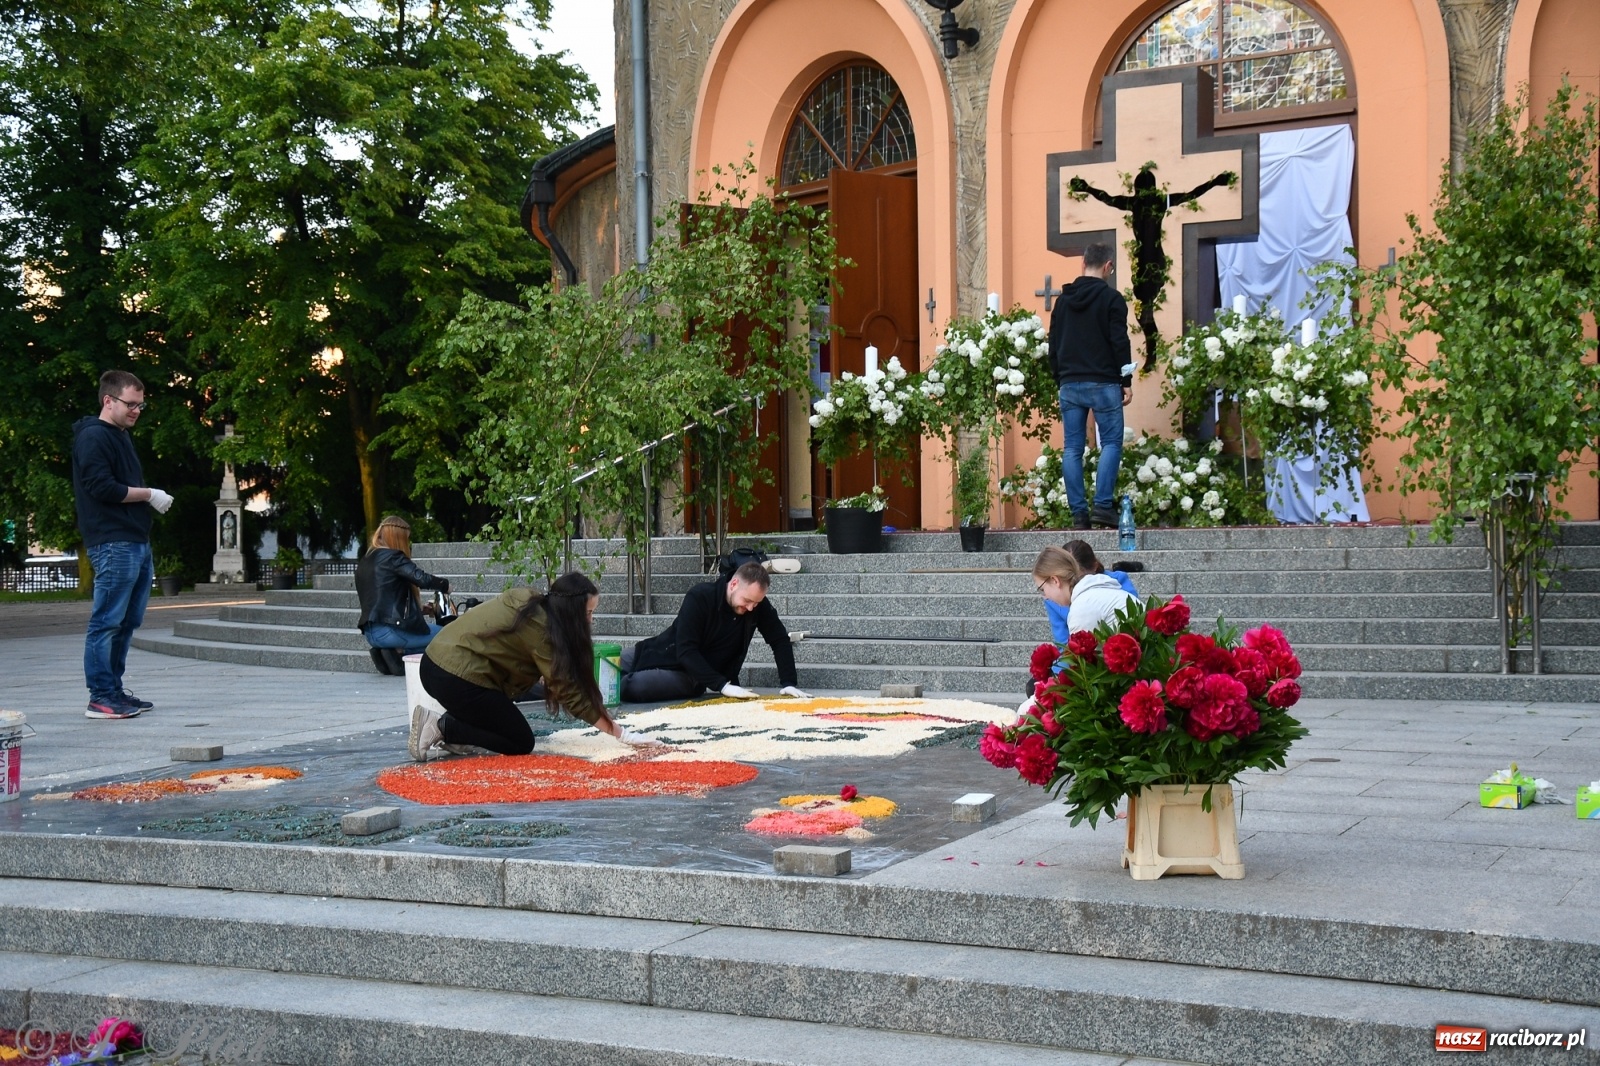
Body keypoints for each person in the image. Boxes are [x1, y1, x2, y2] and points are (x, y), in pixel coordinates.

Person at [411, 572, 632, 760]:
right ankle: (442, 727)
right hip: (453, 675)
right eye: (588, 613)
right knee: (520, 741)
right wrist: (619, 733)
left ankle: (456, 730)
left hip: (435, 662)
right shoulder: (542, 629)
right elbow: (569, 691)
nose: (590, 621)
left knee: (505, 714)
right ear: (570, 611)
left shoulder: (529, 600)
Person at [72, 370, 174, 720]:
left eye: (141, 405)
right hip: (113, 542)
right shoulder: (93, 437)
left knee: (128, 621)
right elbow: (102, 488)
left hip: (133, 540)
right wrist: (149, 494)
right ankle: (100, 696)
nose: (137, 411)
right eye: (131, 404)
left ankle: (113, 692)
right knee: (107, 621)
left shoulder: (118, 436)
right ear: (108, 400)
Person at [621, 562, 809, 702]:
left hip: (692, 675)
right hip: (662, 650)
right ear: (734, 584)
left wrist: (788, 683)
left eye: (756, 603)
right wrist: (723, 686)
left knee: (634, 686)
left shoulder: (756, 606)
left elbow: (779, 640)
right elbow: (686, 649)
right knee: (605, 661)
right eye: (747, 600)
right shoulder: (701, 596)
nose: (751, 608)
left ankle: (609, 690)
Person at [1048, 240, 1134, 531]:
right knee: (1110, 442)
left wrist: (1060, 378)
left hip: (1070, 383)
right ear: (1108, 266)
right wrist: (1125, 380)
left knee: (1072, 448)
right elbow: (1119, 341)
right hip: (1104, 382)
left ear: (1082, 263)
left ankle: (1079, 514)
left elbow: (1054, 344)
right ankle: (1103, 506)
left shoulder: (1063, 301)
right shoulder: (1112, 300)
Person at [355, 515, 450, 672]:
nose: (408, 543)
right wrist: (445, 585)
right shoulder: (394, 557)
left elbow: (383, 596)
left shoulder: (366, 560)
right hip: (392, 632)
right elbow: (422, 578)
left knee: (435, 637)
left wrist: (419, 610)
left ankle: (389, 654)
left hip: (372, 634)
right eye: (406, 539)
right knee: (448, 636)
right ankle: (401, 653)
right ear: (398, 537)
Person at [1039, 540, 1138, 642]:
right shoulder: (1053, 598)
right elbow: (1063, 643)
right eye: (1070, 575)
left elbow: (1133, 617)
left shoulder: (1115, 581)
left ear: (1095, 566)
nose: (1075, 580)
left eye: (1077, 574)